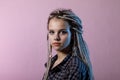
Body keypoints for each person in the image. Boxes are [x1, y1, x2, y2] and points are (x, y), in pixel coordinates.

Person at [43, 8, 94, 80]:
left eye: (63, 32)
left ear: (72, 35)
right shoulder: (53, 62)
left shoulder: (74, 66)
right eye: (52, 32)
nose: (56, 38)